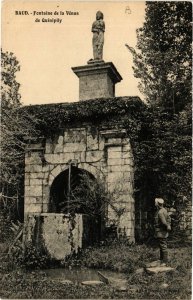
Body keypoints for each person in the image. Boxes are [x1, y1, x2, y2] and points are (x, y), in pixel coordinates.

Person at [154, 198, 171, 266]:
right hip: (163, 231)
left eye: (155, 203)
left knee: (163, 245)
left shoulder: (160, 212)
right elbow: (169, 218)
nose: (155, 204)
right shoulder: (164, 210)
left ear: (157, 204)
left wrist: (167, 226)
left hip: (161, 231)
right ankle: (161, 259)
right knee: (162, 245)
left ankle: (164, 261)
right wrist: (168, 225)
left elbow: (163, 222)